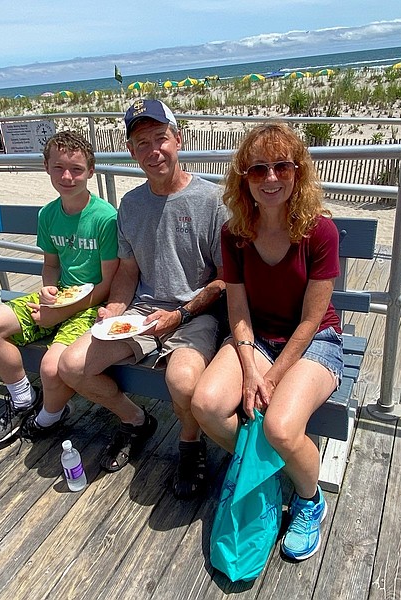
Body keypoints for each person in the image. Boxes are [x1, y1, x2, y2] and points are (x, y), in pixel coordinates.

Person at [190, 122, 344, 561]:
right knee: (206, 403)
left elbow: (313, 319)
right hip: (255, 337)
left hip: (314, 341)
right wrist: (250, 365)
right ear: (243, 177)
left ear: (298, 172)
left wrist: (270, 377)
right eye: (258, 170)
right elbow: (238, 310)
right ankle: (266, 473)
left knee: (279, 426)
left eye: (281, 166)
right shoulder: (235, 233)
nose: (271, 178)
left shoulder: (320, 232)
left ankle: (309, 499)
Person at [59, 99, 228, 498]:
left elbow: (224, 281)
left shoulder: (212, 201)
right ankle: (136, 420)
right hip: (140, 313)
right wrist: (114, 310)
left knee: (183, 382)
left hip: (195, 314)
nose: (153, 151)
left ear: (178, 140)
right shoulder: (131, 204)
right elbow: (128, 271)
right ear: (132, 153)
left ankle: (189, 442)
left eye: (160, 139)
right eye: (141, 143)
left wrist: (181, 314)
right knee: (72, 364)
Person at [0, 131, 119, 444]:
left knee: (52, 369)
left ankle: (51, 415)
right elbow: (51, 264)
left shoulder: (105, 218)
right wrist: (49, 289)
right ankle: (22, 396)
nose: (68, 176)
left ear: (90, 172)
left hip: (90, 303)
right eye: (59, 168)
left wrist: (57, 312)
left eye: (77, 169)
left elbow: (108, 284)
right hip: (62, 295)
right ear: (46, 167)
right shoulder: (48, 215)